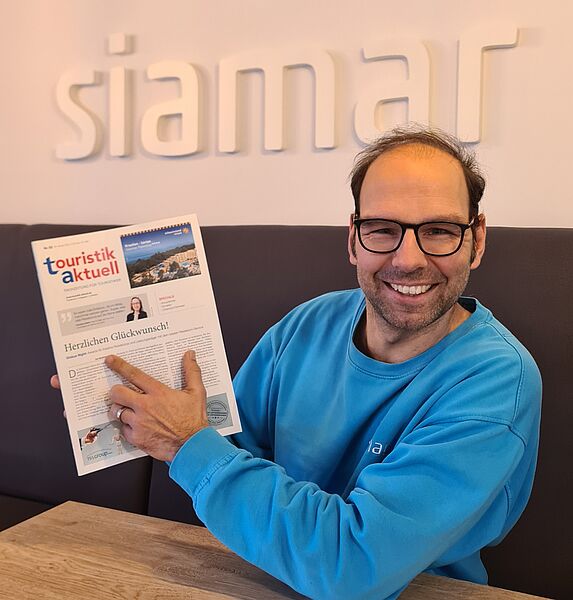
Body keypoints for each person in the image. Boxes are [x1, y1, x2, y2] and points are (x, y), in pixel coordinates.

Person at [54, 127, 541, 600]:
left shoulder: (496, 380)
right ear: (353, 239)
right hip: (260, 576)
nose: (408, 258)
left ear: (477, 240)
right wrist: (130, 408)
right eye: (382, 229)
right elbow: (221, 444)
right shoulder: (307, 324)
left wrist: (184, 441)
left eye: (439, 231)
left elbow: (351, 566)